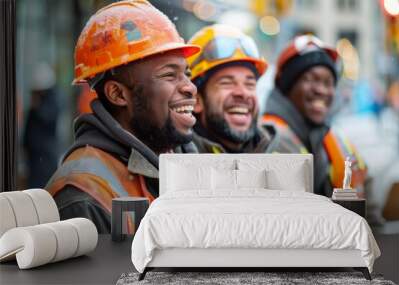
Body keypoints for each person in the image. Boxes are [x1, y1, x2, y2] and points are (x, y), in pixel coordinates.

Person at [45, 0, 200, 233]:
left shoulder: (179, 162)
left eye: (186, 74)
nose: (190, 88)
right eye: (169, 75)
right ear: (118, 94)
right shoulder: (82, 196)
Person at [261, 35, 367, 197]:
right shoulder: (269, 139)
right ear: (288, 87)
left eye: (328, 82)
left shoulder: (337, 140)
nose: (321, 90)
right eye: (310, 79)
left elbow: (371, 206)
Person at [186, 24, 298, 154]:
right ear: (196, 100)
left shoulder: (286, 152)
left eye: (250, 84)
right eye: (226, 82)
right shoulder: (174, 158)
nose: (243, 93)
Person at [23, 62, 60, 188]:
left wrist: (37, 107)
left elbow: (48, 117)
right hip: (34, 157)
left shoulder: (50, 101)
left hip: (45, 158)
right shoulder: (37, 104)